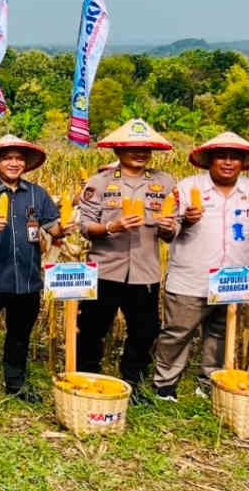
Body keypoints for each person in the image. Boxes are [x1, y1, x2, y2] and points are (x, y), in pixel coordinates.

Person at [0, 135, 73, 401]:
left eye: (19, 158)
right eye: (7, 157)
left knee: (20, 336)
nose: (14, 163)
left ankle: (15, 383)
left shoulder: (37, 193)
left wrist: (62, 229)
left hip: (26, 278)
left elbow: (52, 226)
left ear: (26, 164)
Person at [77, 118, 176, 403]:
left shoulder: (165, 183)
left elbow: (171, 231)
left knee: (145, 331)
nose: (139, 152)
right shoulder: (99, 183)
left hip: (145, 271)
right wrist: (112, 227)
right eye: (132, 147)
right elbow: (86, 227)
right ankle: (88, 378)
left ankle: (133, 380)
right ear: (118, 150)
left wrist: (170, 228)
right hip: (106, 268)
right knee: (93, 329)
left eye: (145, 148)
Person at [153, 132, 249, 401]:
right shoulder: (186, 187)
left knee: (220, 333)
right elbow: (167, 233)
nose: (228, 162)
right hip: (191, 276)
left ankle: (208, 382)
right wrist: (183, 222)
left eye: (235, 157)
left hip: (235, 277)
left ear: (242, 162)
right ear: (209, 160)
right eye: (222, 156)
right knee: (177, 333)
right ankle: (165, 385)